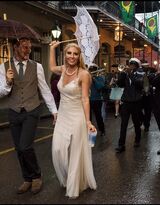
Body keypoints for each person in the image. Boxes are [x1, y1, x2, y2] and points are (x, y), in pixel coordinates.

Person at [0, 37, 57, 194]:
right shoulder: (4, 67)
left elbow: (45, 89)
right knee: (19, 149)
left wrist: (54, 111)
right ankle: (27, 178)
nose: (28, 51)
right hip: (14, 112)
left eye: (30, 48)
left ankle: (37, 176)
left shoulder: (36, 66)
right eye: (25, 47)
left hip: (32, 110)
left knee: (26, 146)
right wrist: (8, 83)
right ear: (16, 47)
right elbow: (1, 92)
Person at [49, 41, 97, 198]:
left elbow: (85, 99)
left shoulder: (84, 74)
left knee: (75, 152)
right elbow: (51, 67)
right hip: (63, 116)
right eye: (69, 53)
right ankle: (67, 176)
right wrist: (51, 49)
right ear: (65, 54)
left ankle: (74, 183)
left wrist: (88, 121)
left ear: (79, 56)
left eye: (75, 54)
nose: (72, 56)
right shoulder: (62, 70)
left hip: (77, 117)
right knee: (58, 149)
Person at [115, 58, 144, 153]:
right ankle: (121, 145)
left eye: (132, 65)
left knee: (136, 123)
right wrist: (122, 74)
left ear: (136, 66)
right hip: (126, 102)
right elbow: (120, 84)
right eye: (130, 64)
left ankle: (137, 140)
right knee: (123, 124)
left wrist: (130, 74)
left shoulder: (140, 73)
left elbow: (139, 84)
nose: (130, 66)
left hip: (136, 102)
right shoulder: (125, 74)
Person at [89, 63, 106, 137]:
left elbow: (100, 87)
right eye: (90, 70)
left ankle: (102, 130)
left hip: (97, 100)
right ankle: (89, 131)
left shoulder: (100, 78)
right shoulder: (87, 77)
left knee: (98, 116)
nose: (92, 71)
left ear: (96, 70)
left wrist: (94, 78)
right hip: (88, 99)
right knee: (88, 117)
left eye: (93, 70)